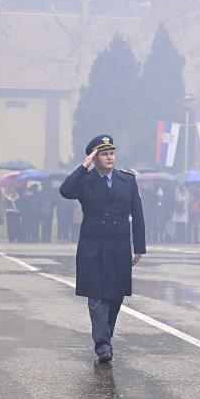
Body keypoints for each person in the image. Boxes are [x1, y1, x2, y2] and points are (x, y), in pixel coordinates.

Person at [59, 135, 146, 363]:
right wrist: (84, 165)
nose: (109, 157)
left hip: (118, 245)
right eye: (104, 154)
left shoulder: (127, 180)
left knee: (115, 297)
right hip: (93, 245)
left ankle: (105, 336)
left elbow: (137, 214)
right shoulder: (84, 180)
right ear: (94, 157)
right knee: (97, 298)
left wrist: (139, 246)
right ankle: (103, 345)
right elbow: (65, 191)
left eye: (111, 153)